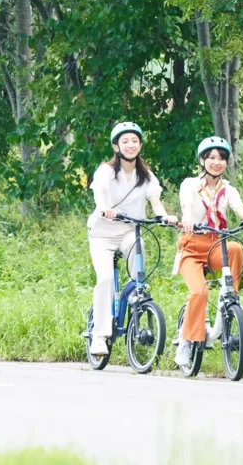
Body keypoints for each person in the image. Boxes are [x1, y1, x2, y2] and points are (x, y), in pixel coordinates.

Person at [174, 136, 243, 367]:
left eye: (222, 158)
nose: (217, 162)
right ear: (203, 160)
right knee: (199, 293)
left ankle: (231, 295)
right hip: (192, 246)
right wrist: (187, 218)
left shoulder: (228, 190)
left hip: (217, 244)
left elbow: (239, 208)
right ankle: (186, 341)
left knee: (234, 247)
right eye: (212, 157)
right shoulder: (190, 185)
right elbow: (187, 204)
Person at [88, 122, 176, 356]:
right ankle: (100, 336)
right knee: (105, 280)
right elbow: (99, 193)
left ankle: (135, 301)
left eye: (134, 141)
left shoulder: (145, 176)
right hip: (103, 234)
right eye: (125, 141)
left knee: (139, 277)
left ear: (140, 145)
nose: (130, 145)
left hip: (130, 231)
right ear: (116, 146)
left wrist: (164, 217)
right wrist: (104, 207)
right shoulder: (106, 171)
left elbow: (155, 202)